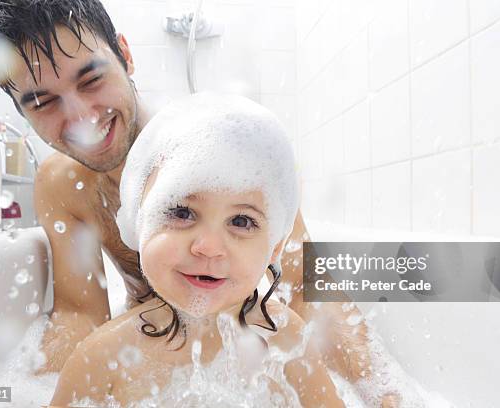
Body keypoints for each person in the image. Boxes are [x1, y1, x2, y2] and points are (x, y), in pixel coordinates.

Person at [0, 1, 405, 406]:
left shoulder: (229, 146)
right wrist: (43, 386)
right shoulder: (62, 183)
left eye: (91, 80)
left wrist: (382, 391)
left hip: (246, 359)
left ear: (124, 54)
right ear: (20, 109)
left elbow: (308, 290)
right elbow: (78, 314)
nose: (80, 117)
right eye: (43, 101)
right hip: (146, 361)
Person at [49, 92, 344, 407]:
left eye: (241, 221)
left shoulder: (286, 339)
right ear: (140, 223)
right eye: (181, 212)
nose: (209, 248)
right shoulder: (103, 357)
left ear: (274, 249)